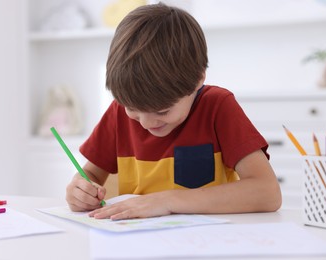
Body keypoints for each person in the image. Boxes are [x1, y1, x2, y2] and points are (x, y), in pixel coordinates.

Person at [66, 3, 282, 220]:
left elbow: (267, 193)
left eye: (163, 111)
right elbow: (91, 174)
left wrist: (168, 201)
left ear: (198, 80)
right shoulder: (118, 112)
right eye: (133, 109)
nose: (147, 123)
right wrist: (80, 190)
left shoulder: (218, 107)